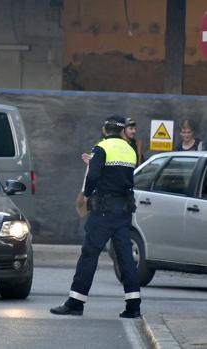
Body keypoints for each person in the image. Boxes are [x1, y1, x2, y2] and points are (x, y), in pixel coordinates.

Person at [51, 115, 142, 319]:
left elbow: (93, 176)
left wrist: (88, 194)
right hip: (124, 209)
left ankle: (76, 302)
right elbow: (120, 175)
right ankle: (133, 305)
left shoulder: (101, 147)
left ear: (104, 130)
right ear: (121, 131)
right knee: (125, 257)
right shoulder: (130, 149)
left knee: (89, 254)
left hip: (103, 209)